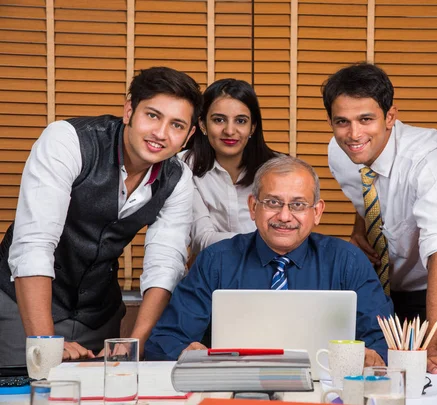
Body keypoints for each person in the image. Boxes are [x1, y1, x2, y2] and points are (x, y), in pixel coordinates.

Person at [0, 67, 202, 366]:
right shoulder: (68, 140)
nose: (161, 133)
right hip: (23, 304)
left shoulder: (178, 179)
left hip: (99, 315)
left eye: (176, 125)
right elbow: (33, 245)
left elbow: (165, 264)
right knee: (31, 389)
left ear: (189, 135)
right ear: (129, 110)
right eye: (152, 115)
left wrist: (136, 344)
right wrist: (45, 343)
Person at [323, 63, 437, 375]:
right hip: (385, 289)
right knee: (380, 377)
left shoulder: (432, 158)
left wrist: (436, 347)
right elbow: (366, 191)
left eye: (365, 119)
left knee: (426, 375)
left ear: (390, 116)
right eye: (342, 122)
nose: (354, 133)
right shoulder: (340, 150)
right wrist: (360, 229)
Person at [145, 155, 393, 366]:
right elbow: (165, 340)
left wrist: (373, 357)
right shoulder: (216, 261)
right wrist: (185, 352)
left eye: (297, 205)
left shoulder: (348, 262)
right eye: (273, 202)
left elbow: (382, 342)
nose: (284, 216)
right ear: (253, 207)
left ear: (316, 212)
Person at [181, 78, 277, 256]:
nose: (230, 131)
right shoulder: (184, 167)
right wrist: (267, 241)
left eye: (241, 121)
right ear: (202, 124)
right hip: (212, 271)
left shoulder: (278, 169)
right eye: (219, 120)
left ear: (252, 127)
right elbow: (203, 239)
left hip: (270, 271)